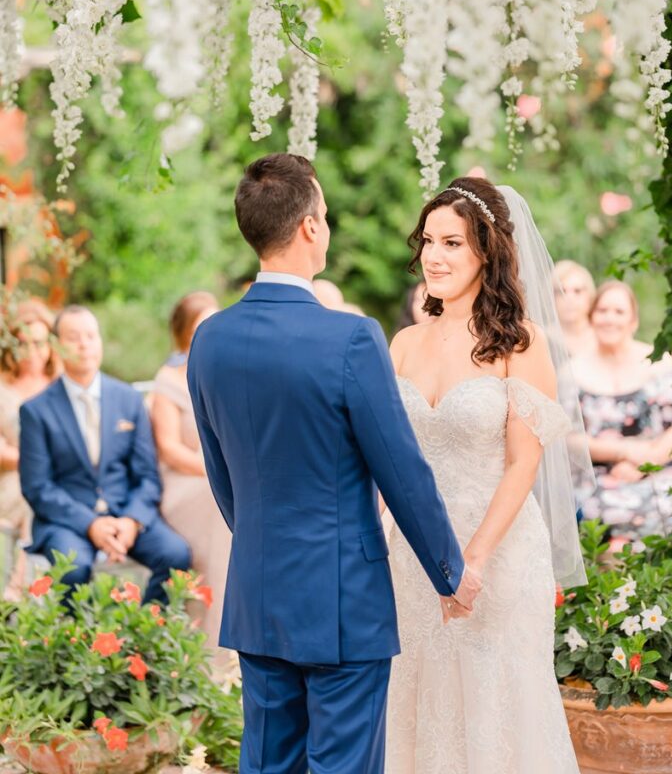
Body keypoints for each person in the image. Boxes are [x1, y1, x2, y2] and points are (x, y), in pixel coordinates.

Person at [187, 153, 481, 774]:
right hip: (344, 599)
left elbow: (222, 475)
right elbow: (401, 471)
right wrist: (449, 572)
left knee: (268, 765)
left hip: (259, 592)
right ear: (310, 228)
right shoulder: (350, 338)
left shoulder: (208, 338)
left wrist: (269, 545)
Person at [387, 178, 587, 774]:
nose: (434, 256)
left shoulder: (519, 344)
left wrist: (470, 560)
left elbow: (524, 462)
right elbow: (386, 461)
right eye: (428, 241)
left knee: (494, 706)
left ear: (487, 250)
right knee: (415, 701)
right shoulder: (402, 343)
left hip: (495, 552)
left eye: (452, 242)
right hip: (412, 558)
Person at [19, 305, 191, 602]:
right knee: (72, 569)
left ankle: (144, 640)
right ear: (57, 345)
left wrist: (132, 521)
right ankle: (78, 646)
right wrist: (91, 523)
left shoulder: (128, 400)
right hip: (67, 520)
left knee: (176, 556)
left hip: (124, 512)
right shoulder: (36, 411)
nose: (84, 344)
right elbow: (38, 487)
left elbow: (147, 475)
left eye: (90, 335)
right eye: (73, 337)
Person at [151, 291, 231, 659]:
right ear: (185, 332)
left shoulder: (226, 374)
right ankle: (211, 650)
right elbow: (169, 448)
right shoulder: (168, 382)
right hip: (184, 483)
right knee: (220, 506)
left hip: (218, 480)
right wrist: (215, 467)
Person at [572, 280, 672, 543]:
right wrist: (623, 452)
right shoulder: (571, 372)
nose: (610, 318)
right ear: (591, 317)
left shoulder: (660, 364)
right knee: (601, 516)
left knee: (670, 508)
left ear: (633, 320)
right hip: (598, 477)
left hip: (658, 469)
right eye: (602, 310)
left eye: (619, 312)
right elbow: (566, 437)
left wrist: (649, 460)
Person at [0, 300, 59, 597]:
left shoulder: (60, 384)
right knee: (33, 492)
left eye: (39, 343)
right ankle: (19, 590)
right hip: (10, 481)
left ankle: (20, 591)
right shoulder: (2, 388)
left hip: (58, 478)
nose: (32, 352)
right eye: (24, 343)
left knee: (43, 492)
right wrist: (34, 461)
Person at [553, 259, 597, 357]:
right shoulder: (541, 338)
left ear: (590, 295)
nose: (569, 299)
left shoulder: (604, 334)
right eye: (562, 291)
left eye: (577, 291)